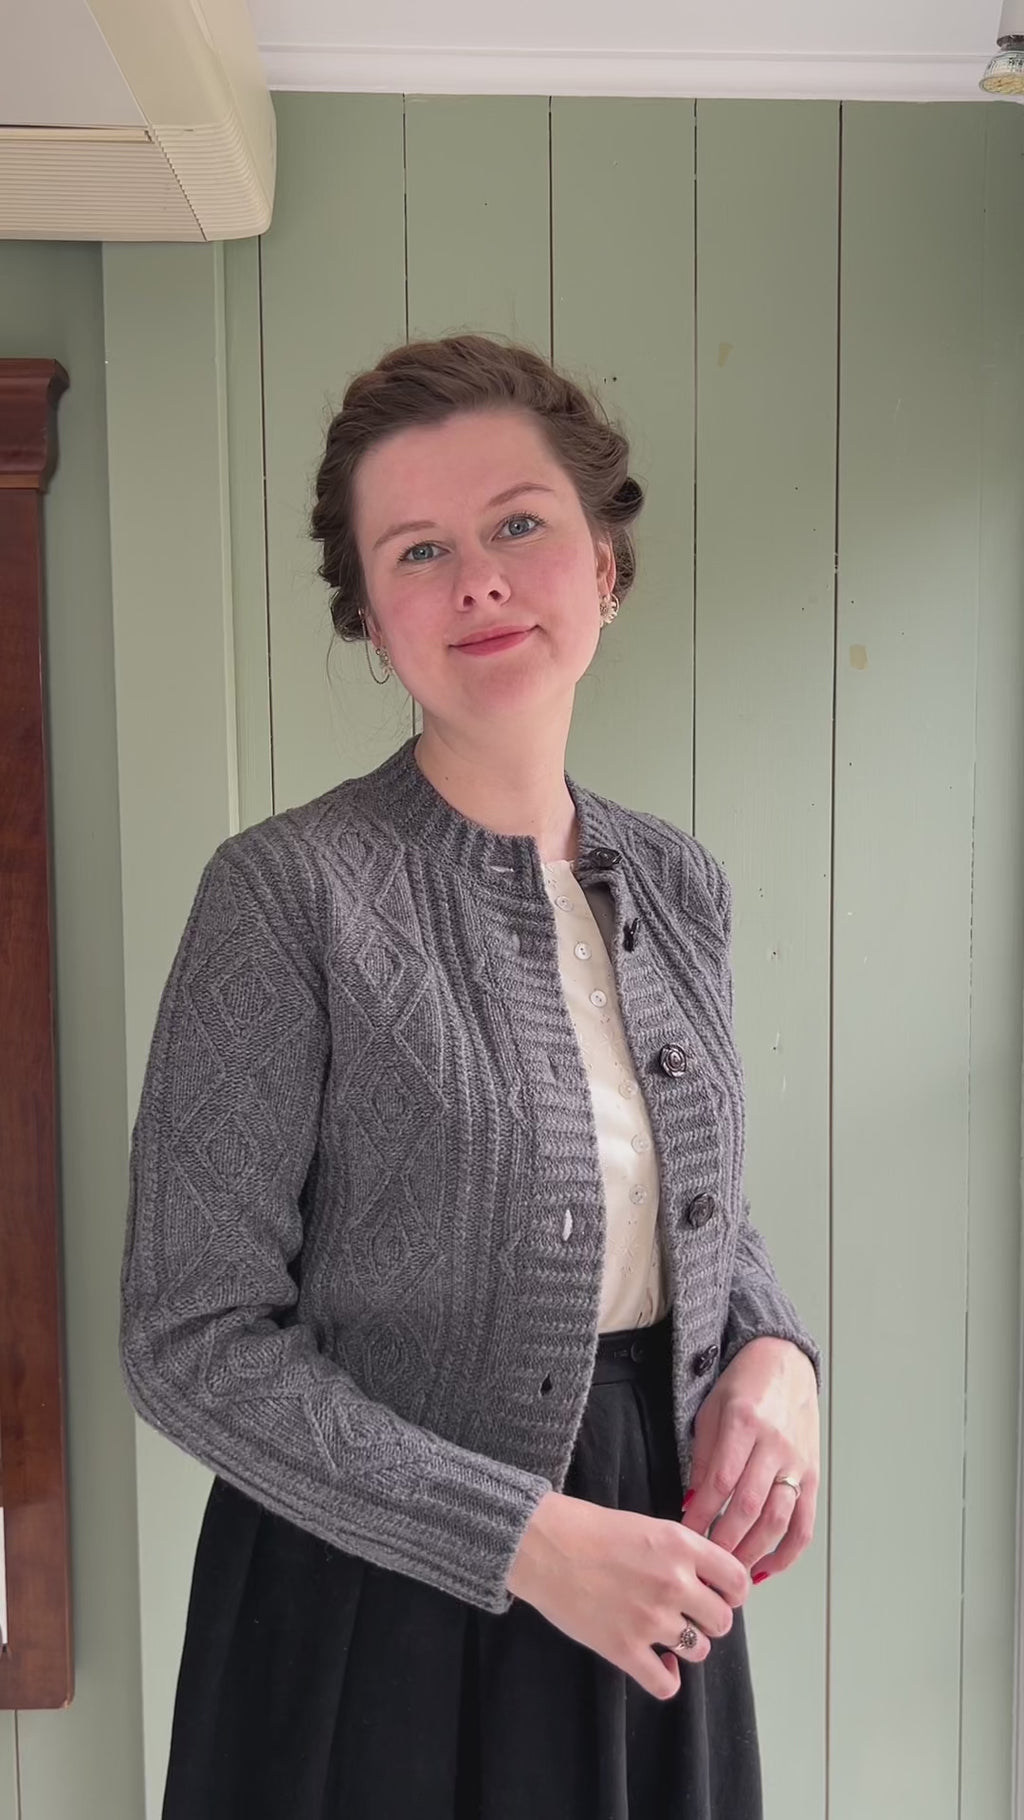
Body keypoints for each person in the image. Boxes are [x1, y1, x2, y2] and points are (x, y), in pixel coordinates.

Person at [120, 331, 822, 1820]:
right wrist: (522, 1539)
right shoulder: (287, 894)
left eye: (518, 526)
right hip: (365, 1616)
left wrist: (776, 1355)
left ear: (604, 567)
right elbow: (189, 1336)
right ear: (373, 619)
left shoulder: (676, 883)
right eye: (420, 551)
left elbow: (680, 1198)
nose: (480, 582)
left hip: (650, 1567)